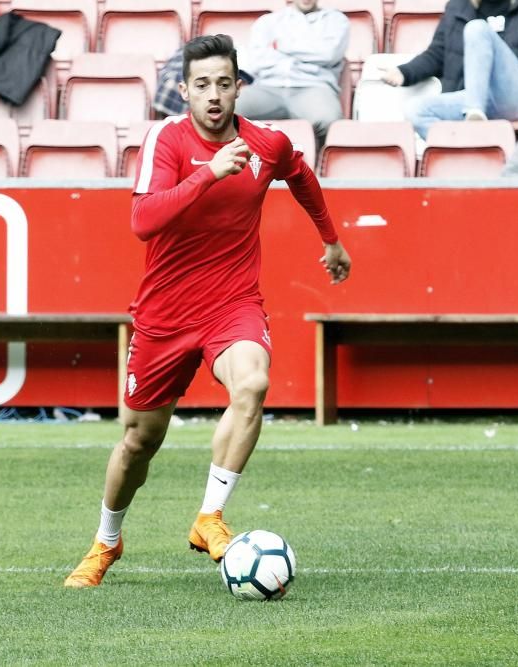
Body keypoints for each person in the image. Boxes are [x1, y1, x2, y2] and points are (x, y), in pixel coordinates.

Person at [64, 34, 352, 588]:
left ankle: (209, 516)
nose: (214, 95)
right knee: (139, 442)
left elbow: (300, 174)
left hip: (232, 304)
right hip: (164, 314)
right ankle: (106, 540)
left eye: (224, 83)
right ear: (184, 91)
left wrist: (332, 239)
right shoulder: (167, 141)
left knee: (253, 383)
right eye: (202, 85)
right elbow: (143, 221)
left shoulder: (266, 143)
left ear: (239, 87)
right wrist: (208, 173)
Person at [379, 0, 518, 139]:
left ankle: (475, 116)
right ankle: (466, 146)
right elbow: (437, 54)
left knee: (477, 29)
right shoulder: (458, 7)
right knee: (415, 110)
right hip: (478, 98)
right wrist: (404, 72)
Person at [236, 0, 349, 148]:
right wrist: (310, 52)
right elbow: (258, 61)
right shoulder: (267, 22)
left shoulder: (336, 20)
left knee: (329, 120)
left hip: (313, 88)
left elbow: (328, 54)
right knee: (223, 110)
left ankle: (319, 168)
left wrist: (280, 46)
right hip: (267, 87)